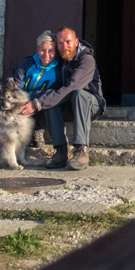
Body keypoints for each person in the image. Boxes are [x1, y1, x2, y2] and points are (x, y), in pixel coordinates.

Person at [18, 26, 105, 171]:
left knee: (78, 93)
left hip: (91, 105)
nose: (64, 47)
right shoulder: (60, 60)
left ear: (76, 42)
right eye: (60, 43)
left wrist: (38, 103)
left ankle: (81, 149)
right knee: (50, 95)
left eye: (68, 42)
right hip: (70, 105)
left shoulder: (86, 60)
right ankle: (61, 151)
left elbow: (71, 88)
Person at [0, 31, 60, 140]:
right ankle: (4, 124)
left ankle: (38, 130)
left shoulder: (58, 70)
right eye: (42, 50)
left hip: (37, 105)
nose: (46, 55)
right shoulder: (27, 63)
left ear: (56, 52)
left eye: (51, 51)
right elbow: (16, 88)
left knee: (43, 95)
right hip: (19, 101)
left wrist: (35, 102)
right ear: (37, 49)